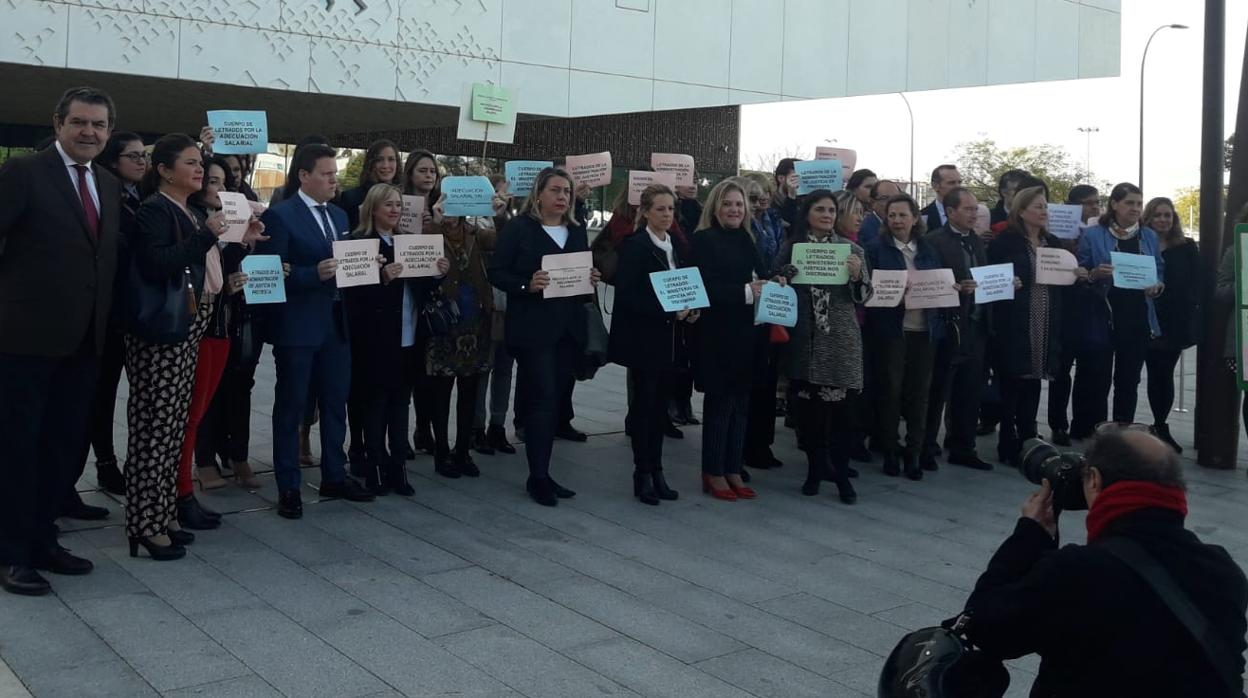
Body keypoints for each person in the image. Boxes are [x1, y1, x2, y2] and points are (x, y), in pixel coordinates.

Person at [963, 431, 1247, 696]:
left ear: (1094, 481)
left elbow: (985, 626)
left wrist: (1029, 536)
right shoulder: (1224, 571)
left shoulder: (1078, 572)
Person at [0, 87, 120, 594]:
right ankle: (11, 553)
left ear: (108, 131)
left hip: (83, 344)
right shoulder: (24, 173)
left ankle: (44, 538)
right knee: (16, 450)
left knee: (61, 448)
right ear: (58, 123)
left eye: (98, 125)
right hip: (24, 342)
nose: (89, 132)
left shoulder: (109, 185)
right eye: (80, 123)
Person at [123, 134, 263, 559]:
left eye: (200, 162)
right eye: (190, 163)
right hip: (161, 334)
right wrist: (205, 235)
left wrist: (236, 238)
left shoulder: (185, 209)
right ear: (164, 170)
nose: (199, 170)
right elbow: (159, 263)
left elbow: (203, 263)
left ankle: (164, 514)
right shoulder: (154, 210)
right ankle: (144, 524)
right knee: (154, 431)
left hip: (188, 328)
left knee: (172, 430)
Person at [255, 143, 377, 520]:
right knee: (292, 407)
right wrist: (312, 274)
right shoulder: (281, 216)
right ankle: (289, 485)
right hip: (298, 326)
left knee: (335, 401)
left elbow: (347, 262)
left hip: (336, 324)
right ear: (303, 176)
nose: (333, 180)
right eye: (326, 174)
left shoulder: (340, 215)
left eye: (335, 174)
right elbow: (270, 273)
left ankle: (334, 475)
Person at [488, 167, 600, 506]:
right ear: (539, 194)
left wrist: (591, 276)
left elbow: (580, 274)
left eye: (566, 191)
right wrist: (526, 285)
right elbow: (497, 272)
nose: (562, 196)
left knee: (554, 402)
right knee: (542, 398)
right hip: (533, 329)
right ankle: (537, 476)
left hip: (568, 330)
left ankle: (545, 472)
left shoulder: (576, 231)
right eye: (555, 190)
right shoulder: (520, 229)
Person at [343, 184, 448, 495]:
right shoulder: (358, 243)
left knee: (401, 404)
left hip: (409, 336)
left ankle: (398, 467)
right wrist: (382, 279)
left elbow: (423, 290)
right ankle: (374, 466)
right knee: (375, 404)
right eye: (387, 204)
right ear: (373, 208)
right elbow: (352, 295)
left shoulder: (410, 242)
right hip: (375, 340)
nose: (394, 210)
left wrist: (438, 273)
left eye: (398, 205)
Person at [173, 155, 255, 529]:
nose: (217, 188)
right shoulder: (188, 221)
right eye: (210, 181)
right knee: (189, 416)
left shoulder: (226, 228)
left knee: (198, 411)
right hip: (195, 330)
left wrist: (245, 245)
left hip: (221, 327)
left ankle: (183, 492)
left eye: (223, 182)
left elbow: (221, 278)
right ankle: (181, 491)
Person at [776, 190, 869, 503]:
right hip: (805, 340)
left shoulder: (851, 249)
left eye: (831, 210)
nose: (827, 215)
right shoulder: (792, 248)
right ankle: (815, 470)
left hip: (841, 341)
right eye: (820, 209)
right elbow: (774, 281)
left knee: (842, 415)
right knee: (811, 416)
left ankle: (842, 475)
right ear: (808, 214)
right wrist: (783, 278)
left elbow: (865, 295)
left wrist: (856, 277)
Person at [608, 184, 691, 505]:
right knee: (644, 409)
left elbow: (686, 285)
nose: (667, 215)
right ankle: (642, 472)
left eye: (670, 209)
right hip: (645, 341)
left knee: (660, 411)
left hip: (671, 341)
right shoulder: (636, 245)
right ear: (644, 212)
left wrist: (691, 308)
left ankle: (657, 470)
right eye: (660, 209)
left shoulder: (677, 246)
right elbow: (629, 296)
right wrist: (667, 307)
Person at [77, 131, 146, 499]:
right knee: (96, 395)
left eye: (143, 156)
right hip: (104, 312)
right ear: (113, 161)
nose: (140, 162)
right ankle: (100, 464)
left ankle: (111, 464)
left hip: (130, 313)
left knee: (119, 396)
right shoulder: (108, 197)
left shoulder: (143, 196)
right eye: (132, 156)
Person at [690, 179, 767, 502]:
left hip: (748, 332)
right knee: (721, 405)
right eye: (728, 204)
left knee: (742, 405)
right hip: (717, 334)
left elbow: (758, 274)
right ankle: (714, 470)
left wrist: (770, 283)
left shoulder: (749, 238)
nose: (734, 210)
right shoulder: (703, 240)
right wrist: (746, 292)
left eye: (739, 204)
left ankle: (733, 467)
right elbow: (702, 287)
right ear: (715, 208)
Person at [986, 187, 1075, 465]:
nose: (1044, 211)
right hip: (1015, 318)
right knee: (1012, 380)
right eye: (1037, 207)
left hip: (1046, 318)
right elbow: (991, 278)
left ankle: (1028, 436)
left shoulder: (1053, 242)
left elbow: (1064, 278)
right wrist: (1008, 282)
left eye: (1045, 206)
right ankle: (1007, 440)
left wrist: (1076, 273)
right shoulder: (1006, 242)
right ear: (1021, 211)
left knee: (1035, 378)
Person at [423, 179, 505, 479]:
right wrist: (436, 221)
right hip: (445, 323)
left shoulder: (474, 232)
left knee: (470, 390)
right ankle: (442, 451)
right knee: (442, 391)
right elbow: (418, 252)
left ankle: (462, 450)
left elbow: (499, 240)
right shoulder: (431, 229)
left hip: (475, 323)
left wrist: (498, 213)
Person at [865, 194, 944, 480]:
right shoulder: (875, 249)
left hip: (925, 330)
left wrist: (951, 287)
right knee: (891, 392)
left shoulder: (928, 249)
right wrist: (890, 295)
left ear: (915, 218)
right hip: (891, 331)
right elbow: (867, 291)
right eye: (892, 215)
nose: (897, 220)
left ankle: (914, 452)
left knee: (919, 393)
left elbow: (937, 282)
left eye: (903, 215)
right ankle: (889, 450)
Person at [1077, 182, 1166, 429]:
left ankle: (1122, 432)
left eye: (1139, 203)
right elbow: (1080, 272)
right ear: (1114, 204)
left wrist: (1157, 284)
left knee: (1128, 380)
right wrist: (1094, 274)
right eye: (1129, 203)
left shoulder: (1148, 235)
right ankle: (1096, 431)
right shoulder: (1093, 235)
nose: (1136, 208)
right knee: (1099, 379)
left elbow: (1159, 268)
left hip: (1137, 317)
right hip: (1104, 314)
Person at [922, 187, 994, 471]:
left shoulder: (975, 241)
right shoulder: (934, 241)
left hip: (975, 325)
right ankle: (926, 445)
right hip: (948, 326)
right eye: (967, 209)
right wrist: (954, 289)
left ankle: (963, 445)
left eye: (976, 209)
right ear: (950, 212)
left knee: (970, 389)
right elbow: (930, 281)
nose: (974, 214)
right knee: (938, 389)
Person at [1142, 196, 1199, 453]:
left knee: (1163, 375)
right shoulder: (1138, 243)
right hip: (1142, 317)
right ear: (1148, 218)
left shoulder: (1186, 246)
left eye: (1167, 215)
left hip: (1173, 321)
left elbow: (1196, 282)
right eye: (1157, 215)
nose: (1163, 220)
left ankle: (1160, 424)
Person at [1047, 184, 1101, 446]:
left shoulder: (1099, 232)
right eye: (1090, 203)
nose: (1095, 207)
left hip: (1090, 308)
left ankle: (1083, 424)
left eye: (1097, 202)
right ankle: (1058, 424)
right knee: (1061, 371)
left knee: (1088, 371)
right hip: (1064, 308)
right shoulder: (1055, 231)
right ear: (1074, 206)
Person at [741, 176, 785, 471]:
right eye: (754, 198)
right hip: (748, 307)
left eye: (765, 195)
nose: (761, 202)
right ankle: (748, 445)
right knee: (752, 383)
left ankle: (763, 443)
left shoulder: (773, 223)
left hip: (771, 302)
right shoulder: (744, 229)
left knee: (768, 381)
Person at [401, 149, 440, 456]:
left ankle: (425, 427)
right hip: (407, 292)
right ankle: (405, 430)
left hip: (435, 295)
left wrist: (437, 224)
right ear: (411, 174)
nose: (429, 176)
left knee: (430, 373)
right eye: (423, 170)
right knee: (410, 367)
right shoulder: (400, 204)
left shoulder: (444, 206)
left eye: (432, 171)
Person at [857, 178, 901, 248]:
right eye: (885, 198)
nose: (892, 203)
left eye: (896, 198)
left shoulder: (904, 228)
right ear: (873, 203)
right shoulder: (864, 231)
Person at [920, 164, 962, 231]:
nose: (958, 187)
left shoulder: (971, 214)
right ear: (935, 186)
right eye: (951, 183)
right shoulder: (923, 217)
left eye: (959, 182)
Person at [769, 157, 801, 228]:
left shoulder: (802, 201)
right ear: (781, 178)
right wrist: (791, 196)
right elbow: (790, 225)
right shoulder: (769, 203)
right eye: (795, 177)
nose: (799, 181)